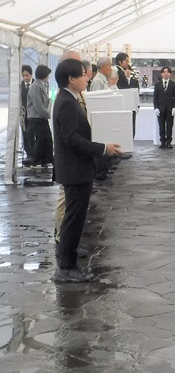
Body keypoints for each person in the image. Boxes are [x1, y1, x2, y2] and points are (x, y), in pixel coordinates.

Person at [52, 59, 121, 282]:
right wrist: (102, 148)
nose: (86, 78)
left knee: (75, 217)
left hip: (76, 169)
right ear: (71, 79)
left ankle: (69, 261)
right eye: (83, 74)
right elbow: (72, 139)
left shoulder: (69, 99)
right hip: (74, 170)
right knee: (73, 218)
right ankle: (66, 268)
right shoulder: (66, 103)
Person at [26, 64, 54, 168]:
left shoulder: (40, 85)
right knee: (41, 140)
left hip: (41, 118)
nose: (48, 77)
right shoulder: (35, 86)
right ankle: (36, 161)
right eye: (47, 75)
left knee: (47, 139)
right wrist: (47, 114)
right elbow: (38, 105)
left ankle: (46, 160)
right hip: (36, 118)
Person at [153, 66, 175, 149]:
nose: (166, 73)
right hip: (160, 108)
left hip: (170, 108)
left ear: (170, 74)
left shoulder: (173, 84)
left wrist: (174, 107)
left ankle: (169, 141)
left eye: (167, 72)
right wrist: (156, 107)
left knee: (169, 126)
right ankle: (162, 141)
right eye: (164, 72)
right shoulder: (158, 84)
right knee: (161, 125)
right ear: (162, 74)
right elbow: (155, 97)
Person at [20, 65, 34, 164]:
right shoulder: (20, 86)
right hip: (24, 114)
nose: (25, 77)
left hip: (33, 114)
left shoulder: (35, 84)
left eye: (27, 75)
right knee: (25, 133)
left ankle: (34, 153)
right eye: (24, 75)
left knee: (32, 133)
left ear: (31, 74)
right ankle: (28, 153)